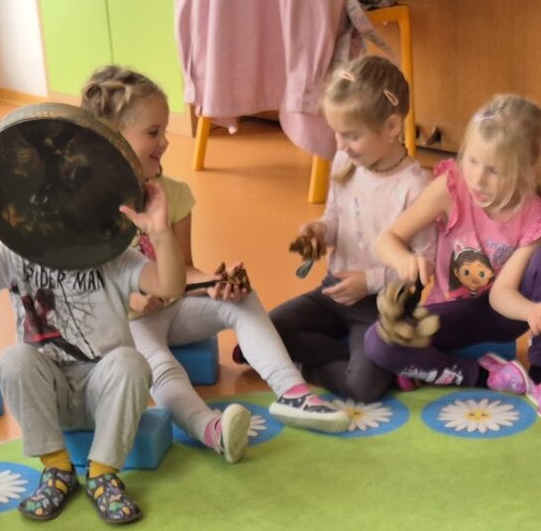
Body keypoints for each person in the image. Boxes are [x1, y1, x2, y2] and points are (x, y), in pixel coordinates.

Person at [77, 64, 350, 457]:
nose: (164, 142)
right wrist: (129, 300)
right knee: (162, 367)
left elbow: (185, 268)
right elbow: (83, 287)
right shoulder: (90, 210)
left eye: (163, 131)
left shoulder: (173, 194)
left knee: (243, 298)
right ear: (112, 138)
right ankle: (211, 430)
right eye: (153, 132)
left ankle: (294, 394)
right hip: (124, 325)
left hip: (173, 307)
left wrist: (215, 283)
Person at [0, 141, 173, 526]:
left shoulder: (111, 256)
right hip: (49, 398)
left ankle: (103, 474)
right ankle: (57, 468)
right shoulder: (15, 254)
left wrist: (160, 234)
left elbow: (168, 284)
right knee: (13, 359)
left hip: (105, 395)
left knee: (131, 362)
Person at [367, 92, 541, 420]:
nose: (477, 179)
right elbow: (386, 240)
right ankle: (486, 376)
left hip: (503, 314)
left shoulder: (535, 215)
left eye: (494, 170)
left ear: (527, 170)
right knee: (378, 342)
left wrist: (532, 311)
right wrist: (403, 260)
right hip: (448, 313)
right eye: (472, 160)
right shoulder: (450, 188)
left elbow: (501, 295)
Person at [276, 53, 431, 402]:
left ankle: (312, 368)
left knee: (363, 387)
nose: (340, 145)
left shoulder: (415, 186)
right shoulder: (345, 161)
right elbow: (334, 219)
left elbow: (423, 265)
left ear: (392, 127)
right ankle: (376, 360)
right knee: (263, 333)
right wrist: (319, 231)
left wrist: (370, 282)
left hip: (383, 304)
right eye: (336, 133)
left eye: (351, 135)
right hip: (334, 291)